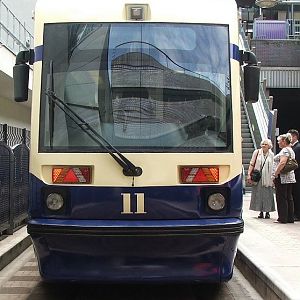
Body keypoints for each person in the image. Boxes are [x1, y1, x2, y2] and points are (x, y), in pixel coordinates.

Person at [247, 139, 275, 219]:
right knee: (259, 194)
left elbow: (273, 167)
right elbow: (252, 164)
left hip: (268, 178)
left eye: (265, 144)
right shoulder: (256, 152)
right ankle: (261, 211)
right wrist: (249, 174)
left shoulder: (272, 155)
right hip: (258, 177)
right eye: (262, 144)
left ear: (269, 146)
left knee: (268, 195)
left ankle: (267, 212)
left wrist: (273, 178)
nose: (263, 145)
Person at [272, 133, 296, 224]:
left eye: (279, 141)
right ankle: (290, 217)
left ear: (284, 141)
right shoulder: (291, 150)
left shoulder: (284, 150)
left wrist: (275, 174)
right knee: (289, 197)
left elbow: (282, 163)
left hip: (282, 177)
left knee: (281, 197)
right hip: (290, 177)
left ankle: (282, 218)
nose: (278, 143)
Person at [288, 129, 300, 221]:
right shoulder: (293, 147)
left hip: (297, 174)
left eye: (290, 136)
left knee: (296, 195)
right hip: (295, 175)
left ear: (294, 136)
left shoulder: (298, 147)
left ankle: (297, 214)